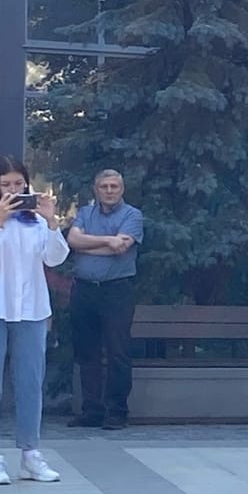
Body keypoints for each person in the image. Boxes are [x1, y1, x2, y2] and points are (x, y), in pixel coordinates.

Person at [0, 157, 69, 485]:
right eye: (5, 185)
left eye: (18, 184)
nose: (13, 190)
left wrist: (52, 222)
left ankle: (30, 454)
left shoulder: (35, 219)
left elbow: (55, 257)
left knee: (30, 382)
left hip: (31, 309)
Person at [65, 168, 145, 430]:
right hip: (84, 290)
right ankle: (92, 410)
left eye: (114, 186)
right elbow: (72, 240)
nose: (109, 191)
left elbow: (121, 248)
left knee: (117, 352)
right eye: (104, 186)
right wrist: (108, 241)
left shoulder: (132, 215)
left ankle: (116, 412)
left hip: (116, 290)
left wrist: (88, 245)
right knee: (86, 352)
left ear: (122, 189)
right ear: (95, 189)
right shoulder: (85, 213)